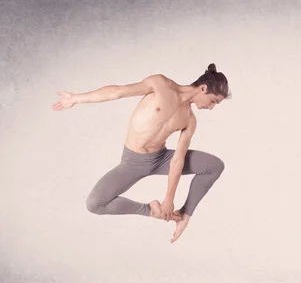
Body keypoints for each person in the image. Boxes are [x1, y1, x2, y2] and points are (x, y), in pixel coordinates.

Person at [52, 63, 230, 243]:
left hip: (161, 159)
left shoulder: (189, 120)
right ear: (203, 88)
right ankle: (150, 210)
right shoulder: (161, 85)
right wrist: (76, 98)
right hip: (133, 163)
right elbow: (117, 92)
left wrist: (169, 198)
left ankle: (185, 215)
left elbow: (177, 160)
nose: (212, 107)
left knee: (214, 165)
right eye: (213, 101)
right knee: (95, 204)